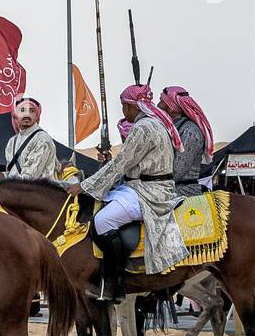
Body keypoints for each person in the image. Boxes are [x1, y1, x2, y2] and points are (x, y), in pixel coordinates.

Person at [65, 83, 188, 301]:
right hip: (140, 186)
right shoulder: (156, 123)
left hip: (148, 192)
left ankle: (115, 285)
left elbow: (121, 164)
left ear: (131, 106)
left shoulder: (142, 128)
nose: (123, 111)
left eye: (123, 106)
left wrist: (83, 186)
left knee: (101, 222)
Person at [0, 94, 58, 182]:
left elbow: (28, 179)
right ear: (16, 116)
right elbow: (12, 174)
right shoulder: (12, 142)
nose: (27, 114)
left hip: (39, 193)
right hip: (17, 192)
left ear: (37, 116)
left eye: (32, 111)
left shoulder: (42, 140)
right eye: (22, 110)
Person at [159, 85, 215, 198]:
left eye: (161, 102)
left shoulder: (190, 131)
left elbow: (178, 170)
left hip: (183, 192)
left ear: (171, 107)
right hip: (167, 189)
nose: (158, 105)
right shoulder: (171, 127)